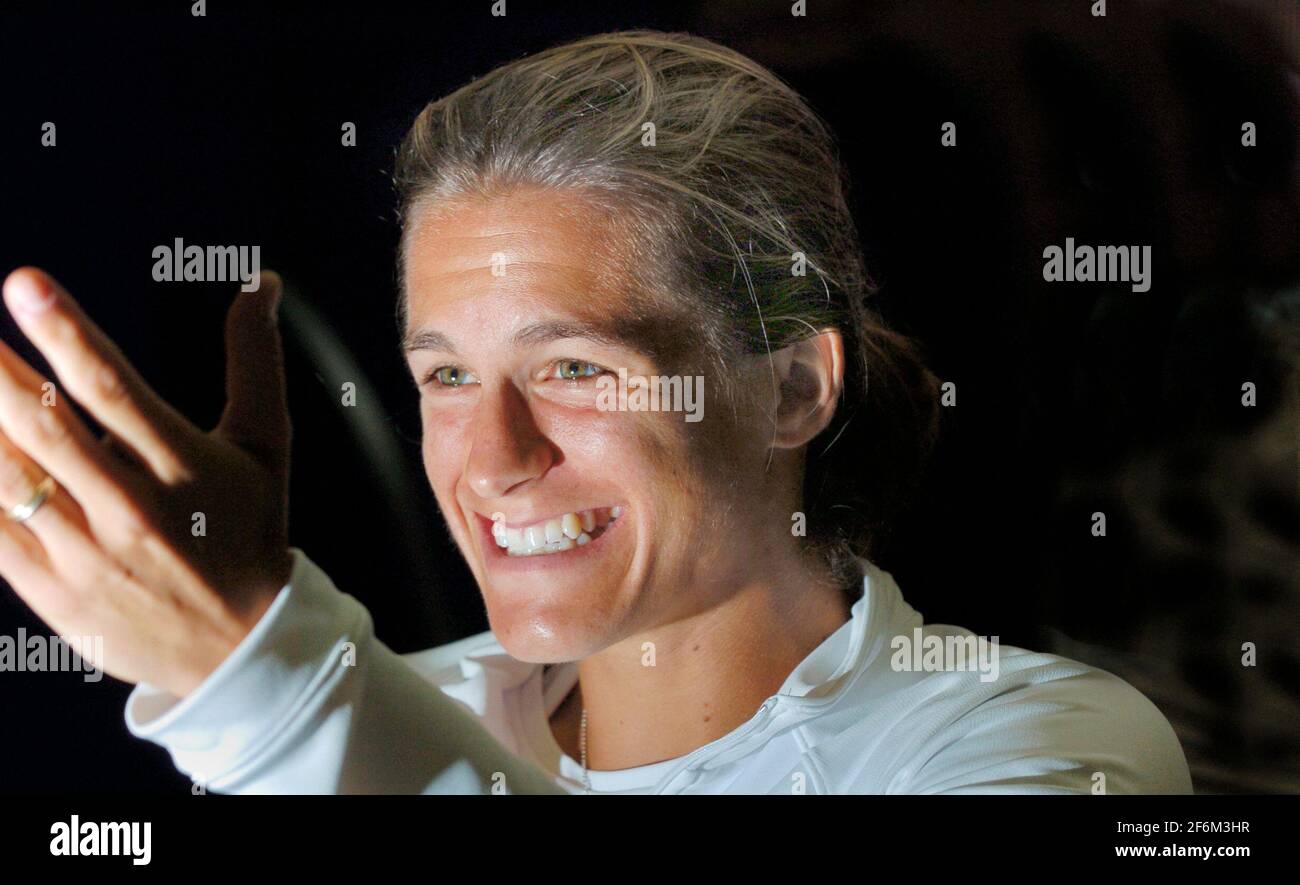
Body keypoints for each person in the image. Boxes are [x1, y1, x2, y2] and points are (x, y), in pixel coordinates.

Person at [0, 30, 1191, 794]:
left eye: (575, 367)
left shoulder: (1044, 747)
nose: (493, 460)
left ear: (791, 387)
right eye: (447, 377)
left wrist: (265, 686)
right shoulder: (397, 705)